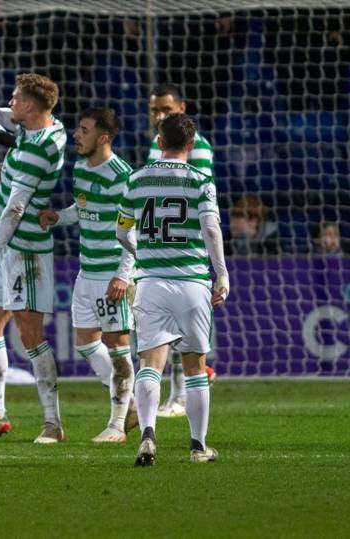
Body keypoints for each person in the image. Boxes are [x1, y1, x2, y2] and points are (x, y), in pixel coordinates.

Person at [116, 112, 229, 465]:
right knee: (195, 367)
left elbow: (121, 231)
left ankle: (148, 435)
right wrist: (221, 273)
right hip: (193, 283)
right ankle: (198, 447)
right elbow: (211, 229)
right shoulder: (202, 181)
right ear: (191, 145)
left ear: (160, 142)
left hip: (150, 283)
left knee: (149, 363)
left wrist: (141, 253)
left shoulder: (135, 180)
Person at [0, 73, 67, 444]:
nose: (9, 103)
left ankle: (52, 424)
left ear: (29, 105)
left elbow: (15, 209)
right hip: (7, 249)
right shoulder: (45, 127)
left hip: (23, 250)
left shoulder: (35, 151)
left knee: (29, 334)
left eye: (15, 98)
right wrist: (2, 135)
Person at [38, 107, 135, 443]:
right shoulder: (80, 168)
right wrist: (57, 217)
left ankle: (118, 424)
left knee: (119, 347)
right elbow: (81, 210)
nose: (77, 135)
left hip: (111, 273)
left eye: (84, 130)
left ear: (104, 137)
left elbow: (132, 227)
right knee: (85, 343)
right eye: (78, 129)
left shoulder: (121, 175)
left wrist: (124, 274)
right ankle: (131, 404)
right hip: (86, 271)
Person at [146, 83, 217, 418]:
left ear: (182, 109)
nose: (159, 116)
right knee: (168, 330)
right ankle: (178, 394)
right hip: (159, 245)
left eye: (166, 110)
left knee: (180, 332)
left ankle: (180, 395)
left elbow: (194, 195)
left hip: (184, 248)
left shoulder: (198, 148)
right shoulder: (154, 145)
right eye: (155, 110)